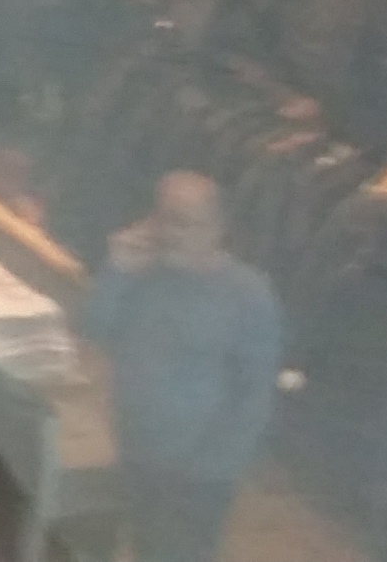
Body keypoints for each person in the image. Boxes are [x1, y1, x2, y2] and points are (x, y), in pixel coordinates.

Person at [84, 170, 282, 562]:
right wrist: (116, 271)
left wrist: (212, 466)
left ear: (217, 229)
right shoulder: (142, 274)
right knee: (142, 546)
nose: (171, 234)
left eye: (185, 223)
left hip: (199, 474)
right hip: (137, 448)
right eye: (164, 219)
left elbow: (255, 395)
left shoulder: (248, 296)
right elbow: (94, 328)